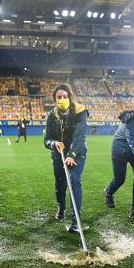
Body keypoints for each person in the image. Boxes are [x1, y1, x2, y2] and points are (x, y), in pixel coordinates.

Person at [43, 84, 89, 233]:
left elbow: (79, 135)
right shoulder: (51, 115)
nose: (62, 99)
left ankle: (76, 222)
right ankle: (61, 207)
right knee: (60, 185)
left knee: (74, 180)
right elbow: (46, 140)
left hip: (77, 153)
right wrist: (54, 143)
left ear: (70, 96)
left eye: (65, 96)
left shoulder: (80, 112)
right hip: (58, 155)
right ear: (55, 99)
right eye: (59, 97)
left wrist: (71, 154)